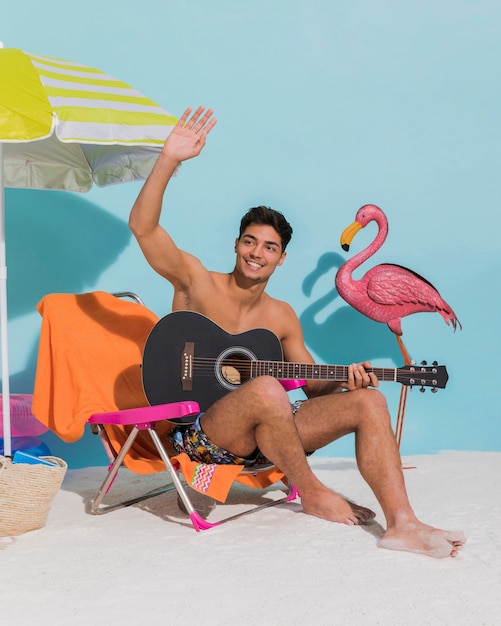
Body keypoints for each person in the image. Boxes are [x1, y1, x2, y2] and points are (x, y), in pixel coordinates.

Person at [129, 106, 466, 558]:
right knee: (269, 387)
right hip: (204, 435)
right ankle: (312, 491)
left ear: (281, 259)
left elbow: (312, 383)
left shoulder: (282, 314)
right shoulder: (196, 280)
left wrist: (348, 378)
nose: (257, 253)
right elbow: (143, 228)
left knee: (368, 400)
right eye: (249, 241)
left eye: (269, 247)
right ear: (236, 243)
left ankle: (402, 523)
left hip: (268, 436)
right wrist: (169, 159)